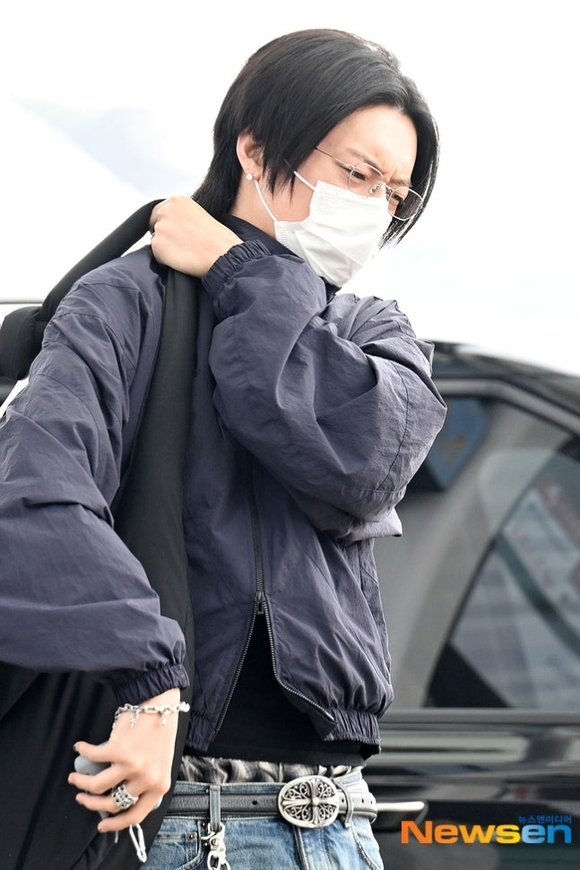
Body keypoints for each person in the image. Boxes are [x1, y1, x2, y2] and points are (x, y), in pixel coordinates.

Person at [0, 28, 446, 870]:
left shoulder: (370, 332)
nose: (374, 208)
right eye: (358, 174)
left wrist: (241, 272)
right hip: (183, 822)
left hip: (341, 823)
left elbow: (361, 460)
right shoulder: (128, 304)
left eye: (395, 194)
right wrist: (152, 679)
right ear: (255, 148)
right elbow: (33, 498)